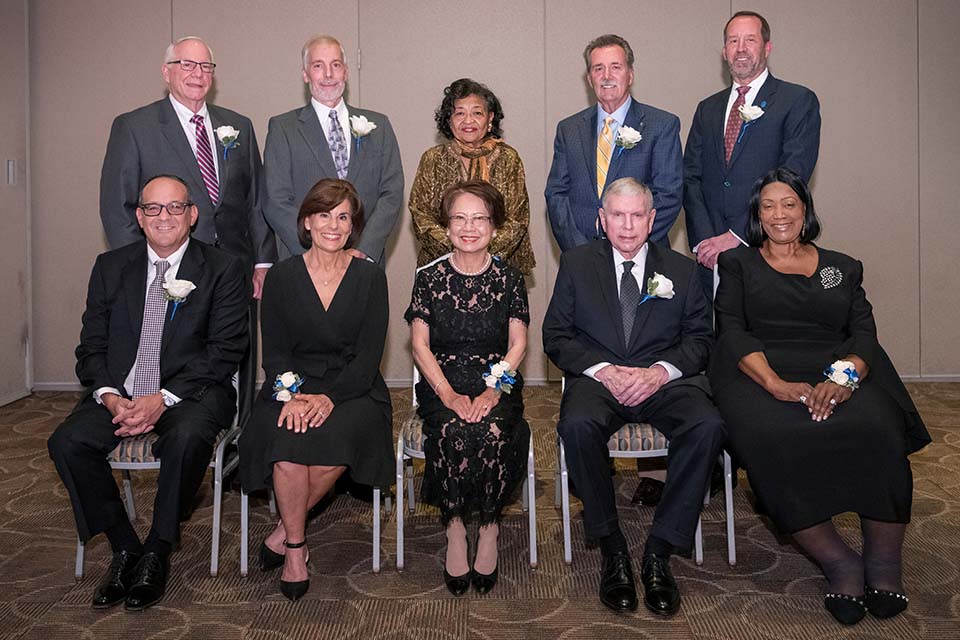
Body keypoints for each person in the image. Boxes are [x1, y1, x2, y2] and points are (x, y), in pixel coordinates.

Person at [708, 168, 930, 625]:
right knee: (774, 435)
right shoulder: (739, 264)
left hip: (837, 370)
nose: (779, 214)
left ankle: (885, 564)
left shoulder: (839, 268)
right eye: (767, 205)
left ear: (805, 210)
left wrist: (844, 379)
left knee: (878, 427)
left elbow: (863, 332)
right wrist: (775, 385)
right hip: (761, 372)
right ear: (756, 215)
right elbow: (731, 330)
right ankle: (840, 563)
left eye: (788, 203)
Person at [48, 175, 248, 611]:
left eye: (175, 207)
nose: (164, 217)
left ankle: (158, 548)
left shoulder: (223, 268)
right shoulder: (110, 267)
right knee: (67, 442)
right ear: (139, 217)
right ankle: (124, 547)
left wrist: (163, 398)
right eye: (153, 209)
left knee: (187, 438)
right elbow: (91, 346)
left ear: (193, 215)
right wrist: (109, 396)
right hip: (121, 392)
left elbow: (226, 350)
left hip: (191, 393)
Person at [543, 177, 724, 615]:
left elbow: (701, 339)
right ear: (602, 220)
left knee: (708, 425)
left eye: (636, 215)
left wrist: (659, 372)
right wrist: (603, 370)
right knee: (576, 424)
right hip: (600, 383)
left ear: (652, 218)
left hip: (663, 383)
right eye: (617, 216)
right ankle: (612, 545)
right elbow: (556, 336)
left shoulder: (681, 270)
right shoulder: (577, 263)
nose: (627, 226)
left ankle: (660, 549)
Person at [99, 36, 275, 419]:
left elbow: (255, 199)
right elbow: (118, 207)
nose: (198, 74)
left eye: (206, 67)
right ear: (166, 72)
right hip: (166, 269)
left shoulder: (238, 125)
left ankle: (236, 449)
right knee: (171, 358)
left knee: (235, 355)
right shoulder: (135, 127)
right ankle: (170, 430)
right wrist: (146, 268)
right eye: (187, 65)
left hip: (233, 269)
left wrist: (262, 262)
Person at [239, 178, 393, 601]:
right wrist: (291, 395)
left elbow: (368, 357)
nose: (333, 225)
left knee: (337, 442)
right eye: (324, 215)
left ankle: (283, 531)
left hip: (353, 388)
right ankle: (295, 548)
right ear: (306, 222)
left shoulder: (369, 277)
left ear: (353, 226)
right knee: (287, 445)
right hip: (292, 383)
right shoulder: (283, 277)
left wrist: (327, 398)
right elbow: (277, 352)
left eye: (343, 217)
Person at [405, 181, 531, 596]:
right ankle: (456, 526)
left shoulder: (511, 279)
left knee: (492, 429)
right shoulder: (428, 277)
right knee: (452, 430)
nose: (469, 227)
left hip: (498, 379)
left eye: (479, 218)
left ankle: (490, 526)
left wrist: (493, 391)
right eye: (459, 218)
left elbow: (518, 346)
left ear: (495, 227)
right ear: (446, 225)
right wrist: (447, 394)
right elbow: (419, 346)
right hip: (442, 380)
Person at [684, 11, 821, 297]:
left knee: (763, 340)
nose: (741, 48)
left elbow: (791, 178)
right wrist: (704, 241)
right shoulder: (707, 109)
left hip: (766, 248)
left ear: (767, 47)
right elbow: (690, 177)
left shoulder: (796, 101)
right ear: (724, 52)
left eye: (750, 40)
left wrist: (736, 235)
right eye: (733, 41)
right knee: (711, 338)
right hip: (710, 260)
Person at [263, 34, 403, 264]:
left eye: (335, 65)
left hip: (362, 262)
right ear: (305, 75)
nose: (328, 74)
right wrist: (314, 253)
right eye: (318, 66)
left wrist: (364, 249)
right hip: (304, 261)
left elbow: (392, 193)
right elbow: (275, 199)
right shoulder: (283, 128)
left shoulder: (379, 126)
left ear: (345, 72)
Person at [545, 34, 682, 252]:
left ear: (630, 75)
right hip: (581, 257)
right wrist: (580, 251)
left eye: (615, 67)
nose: (606, 76)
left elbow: (669, 195)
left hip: (640, 255)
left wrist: (629, 246)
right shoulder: (568, 129)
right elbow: (556, 195)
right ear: (589, 79)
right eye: (598, 68)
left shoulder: (661, 126)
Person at [409, 78, 535, 273]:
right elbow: (420, 215)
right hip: (441, 268)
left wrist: (481, 255)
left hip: (499, 267)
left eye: (477, 113)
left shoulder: (508, 158)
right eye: (459, 113)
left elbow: (517, 219)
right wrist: (458, 253)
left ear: (490, 117)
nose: (468, 121)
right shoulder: (432, 158)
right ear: (449, 119)